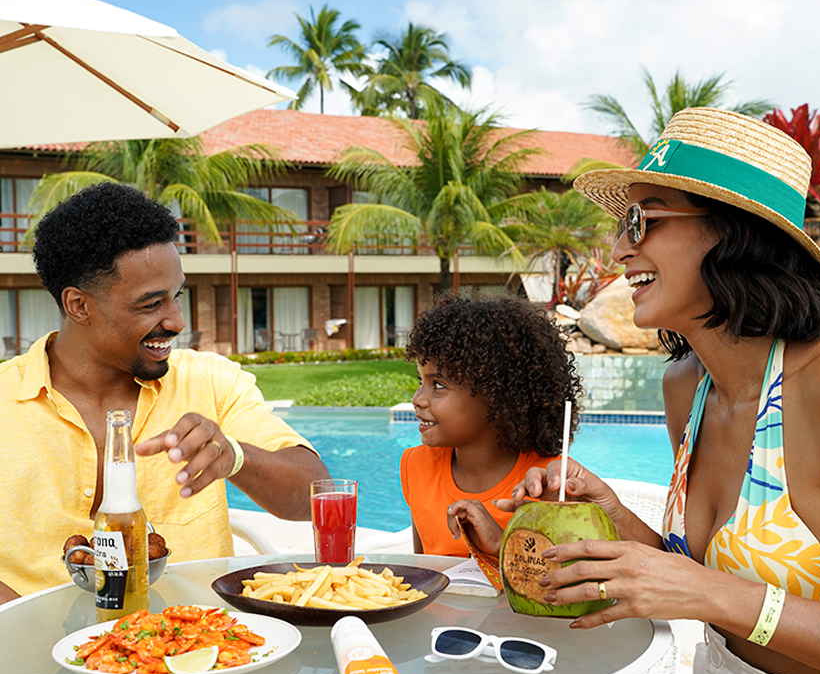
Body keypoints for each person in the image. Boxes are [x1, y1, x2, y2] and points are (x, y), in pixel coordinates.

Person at [496, 108, 820, 674]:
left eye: (645, 220)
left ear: (733, 235)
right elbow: (703, 571)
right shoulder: (689, 385)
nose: (620, 251)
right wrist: (610, 509)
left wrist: (711, 597)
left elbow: (714, 591)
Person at [0, 182, 328, 603]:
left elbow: (316, 497)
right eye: (151, 304)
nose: (175, 320)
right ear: (79, 306)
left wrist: (235, 456)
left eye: (177, 296)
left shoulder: (210, 382)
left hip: (205, 648)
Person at [401, 290, 583, 557]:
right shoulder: (415, 466)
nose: (417, 399)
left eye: (438, 385)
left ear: (496, 396)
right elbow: (424, 573)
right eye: (421, 381)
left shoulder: (548, 486)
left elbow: (557, 588)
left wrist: (502, 546)